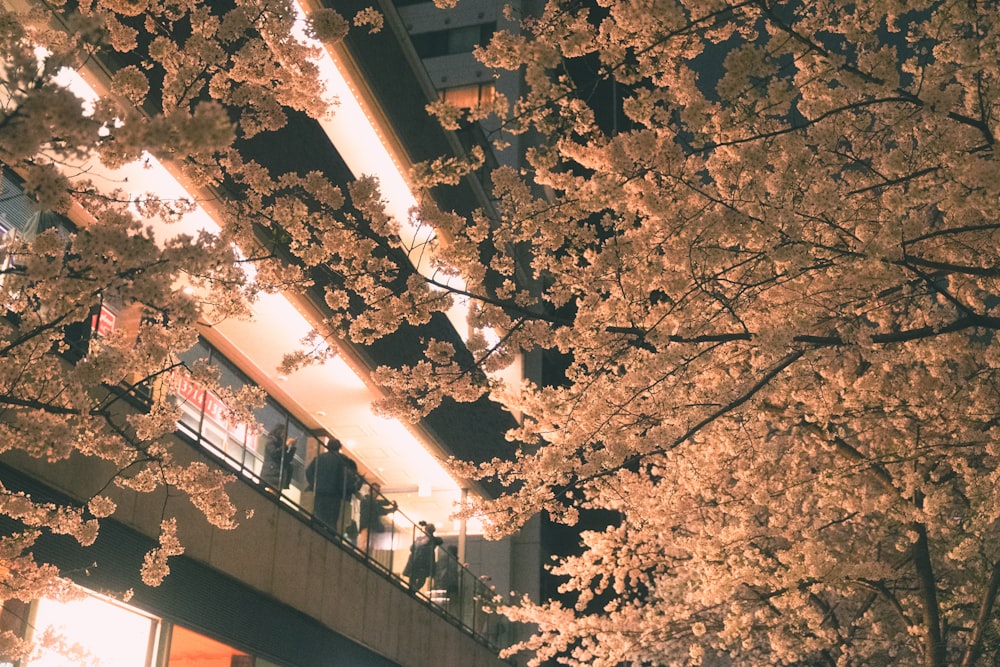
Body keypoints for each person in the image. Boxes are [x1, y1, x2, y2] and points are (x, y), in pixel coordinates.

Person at [304, 437, 349, 532]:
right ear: (339, 448)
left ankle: (316, 533)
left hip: (320, 492)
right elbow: (346, 477)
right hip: (334, 494)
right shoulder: (342, 459)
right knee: (331, 520)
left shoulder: (320, 458)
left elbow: (309, 471)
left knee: (318, 516)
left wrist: (314, 484)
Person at [357, 482, 397, 551]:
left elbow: (379, 508)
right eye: (375, 490)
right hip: (366, 527)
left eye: (377, 491)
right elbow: (378, 507)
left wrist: (390, 507)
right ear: (370, 490)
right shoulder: (367, 499)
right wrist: (388, 505)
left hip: (372, 527)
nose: (376, 493)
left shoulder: (372, 501)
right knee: (363, 545)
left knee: (370, 547)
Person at [403, 522, 442, 592]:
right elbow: (412, 548)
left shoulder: (433, 539)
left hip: (423, 562)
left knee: (420, 578)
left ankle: (413, 590)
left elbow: (440, 541)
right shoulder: (420, 539)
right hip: (417, 560)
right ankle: (412, 590)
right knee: (414, 577)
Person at [260, 423, 296, 491]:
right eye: (283, 432)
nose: (284, 435)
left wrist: (292, 448)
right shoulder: (271, 440)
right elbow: (274, 453)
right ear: (278, 431)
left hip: (278, 476)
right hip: (271, 474)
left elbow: (287, 459)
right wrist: (285, 445)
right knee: (271, 495)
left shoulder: (281, 444)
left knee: (275, 495)